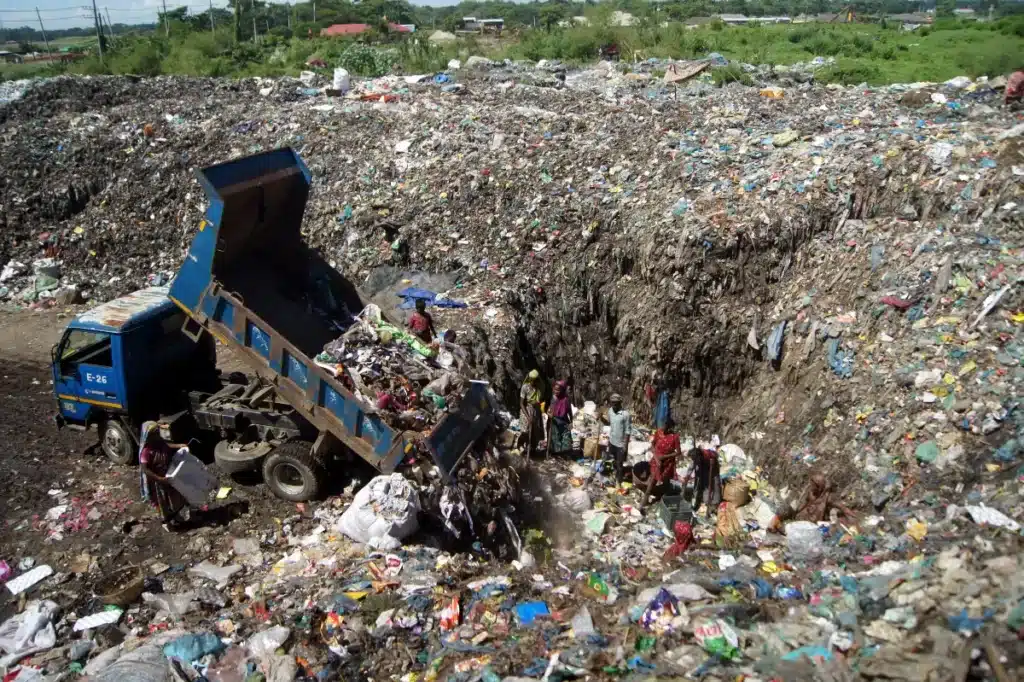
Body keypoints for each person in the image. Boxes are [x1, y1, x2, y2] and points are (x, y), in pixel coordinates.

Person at [138, 422, 190, 530]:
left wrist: (179, 445)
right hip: (158, 482)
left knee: (174, 498)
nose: (157, 434)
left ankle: (176, 517)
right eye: (154, 433)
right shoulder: (146, 451)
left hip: (168, 475)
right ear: (147, 435)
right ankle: (166, 523)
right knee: (163, 503)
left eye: (157, 431)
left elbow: (167, 446)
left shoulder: (159, 442)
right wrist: (159, 478)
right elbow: (145, 469)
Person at [770, 473, 858, 531]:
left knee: (789, 530)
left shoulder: (828, 497)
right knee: (783, 510)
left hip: (811, 523)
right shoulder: (811, 492)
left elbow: (842, 507)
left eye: (813, 485)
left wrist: (850, 514)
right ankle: (774, 525)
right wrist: (795, 512)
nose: (811, 486)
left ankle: (780, 528)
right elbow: (804, 504)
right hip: (802, 516)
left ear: (819, 486)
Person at [642, 419, 681, 510]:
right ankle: (644, 502)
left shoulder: (674, 437)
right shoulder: (658, 433)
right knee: (652, 481)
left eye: (666, 427)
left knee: (665, 481)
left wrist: (665, 457)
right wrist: (657, 458)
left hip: (667, 462)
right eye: (663, 425)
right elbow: (652, 446)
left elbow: (678, 452)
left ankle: (662, 498)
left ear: (670, 428)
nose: (663, 428)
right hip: (656, 461)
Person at [683, 444, 723, 514]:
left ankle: (713, 504)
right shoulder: (695, 458)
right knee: (699, 484)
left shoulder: (709, 456)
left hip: (712, 469)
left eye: (693, 459)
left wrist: (710, 470)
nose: (692, 460)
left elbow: (715, 459)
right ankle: (699, 501)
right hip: (702, 467)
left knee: (713, 486)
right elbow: (691, 468)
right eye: (692, 459)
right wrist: (686, 478)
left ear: (698, 457)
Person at [607, 394, 631, 484]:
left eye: (616, 403)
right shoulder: (610, 411)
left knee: (619, 464)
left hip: (621, 444)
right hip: (612, 441)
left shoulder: (625, 414)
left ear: (620, 403)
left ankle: (618, 481)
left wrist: (625, 445)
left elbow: (628, 431)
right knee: (613, 460)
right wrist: (601, 418)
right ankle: (614, 475)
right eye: (612, 403)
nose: (614, 405)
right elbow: (608, 423)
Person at [546, 379, 574, 456]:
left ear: (562, 390)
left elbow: (570, 411)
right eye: (555, 389)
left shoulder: (566, 400)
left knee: (566, 440)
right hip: (553, 422)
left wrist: (571, 422)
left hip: (564, 421)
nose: (556, 391)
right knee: (555, 441)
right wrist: (549, 414)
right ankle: (556, 455)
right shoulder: (552, 398)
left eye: (558, 390)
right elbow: (546, 409)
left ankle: (564, 455)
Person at [519, 370, 543, 455]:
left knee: (534, 432)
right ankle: (521, 446)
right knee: (525, 431)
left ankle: (532, 449)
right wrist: (528, 416)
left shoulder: (539, 388)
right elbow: (521, 403)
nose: (533, 382)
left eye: (535, 380)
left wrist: (537, 404)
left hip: (535, 411)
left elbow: (539, 400)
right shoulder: (525, 387)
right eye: (532, 380)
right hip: (526, 411)